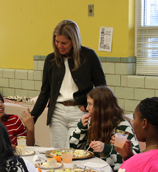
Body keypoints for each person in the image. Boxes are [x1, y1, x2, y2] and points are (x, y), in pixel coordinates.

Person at [31, 20, 106, 149]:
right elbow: (45, 92)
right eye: (57, 41)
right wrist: (32, 118)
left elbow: (102, 88)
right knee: (58, 152)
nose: (60, 46)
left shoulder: (89, 56)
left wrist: (85, 104)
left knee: (75, 152)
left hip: (79, 112)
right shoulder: (50, 60)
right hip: (57, 112)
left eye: (64, 43)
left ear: (74, 41)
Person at [69, 86, 140, 172]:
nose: (87, 108)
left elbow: (129, 157)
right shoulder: (92, 122)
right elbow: (74, 148)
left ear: (102, 107)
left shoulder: (121, 127)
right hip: (91, 170)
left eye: (90, 104)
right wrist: (81, 128)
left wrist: (107, 148)